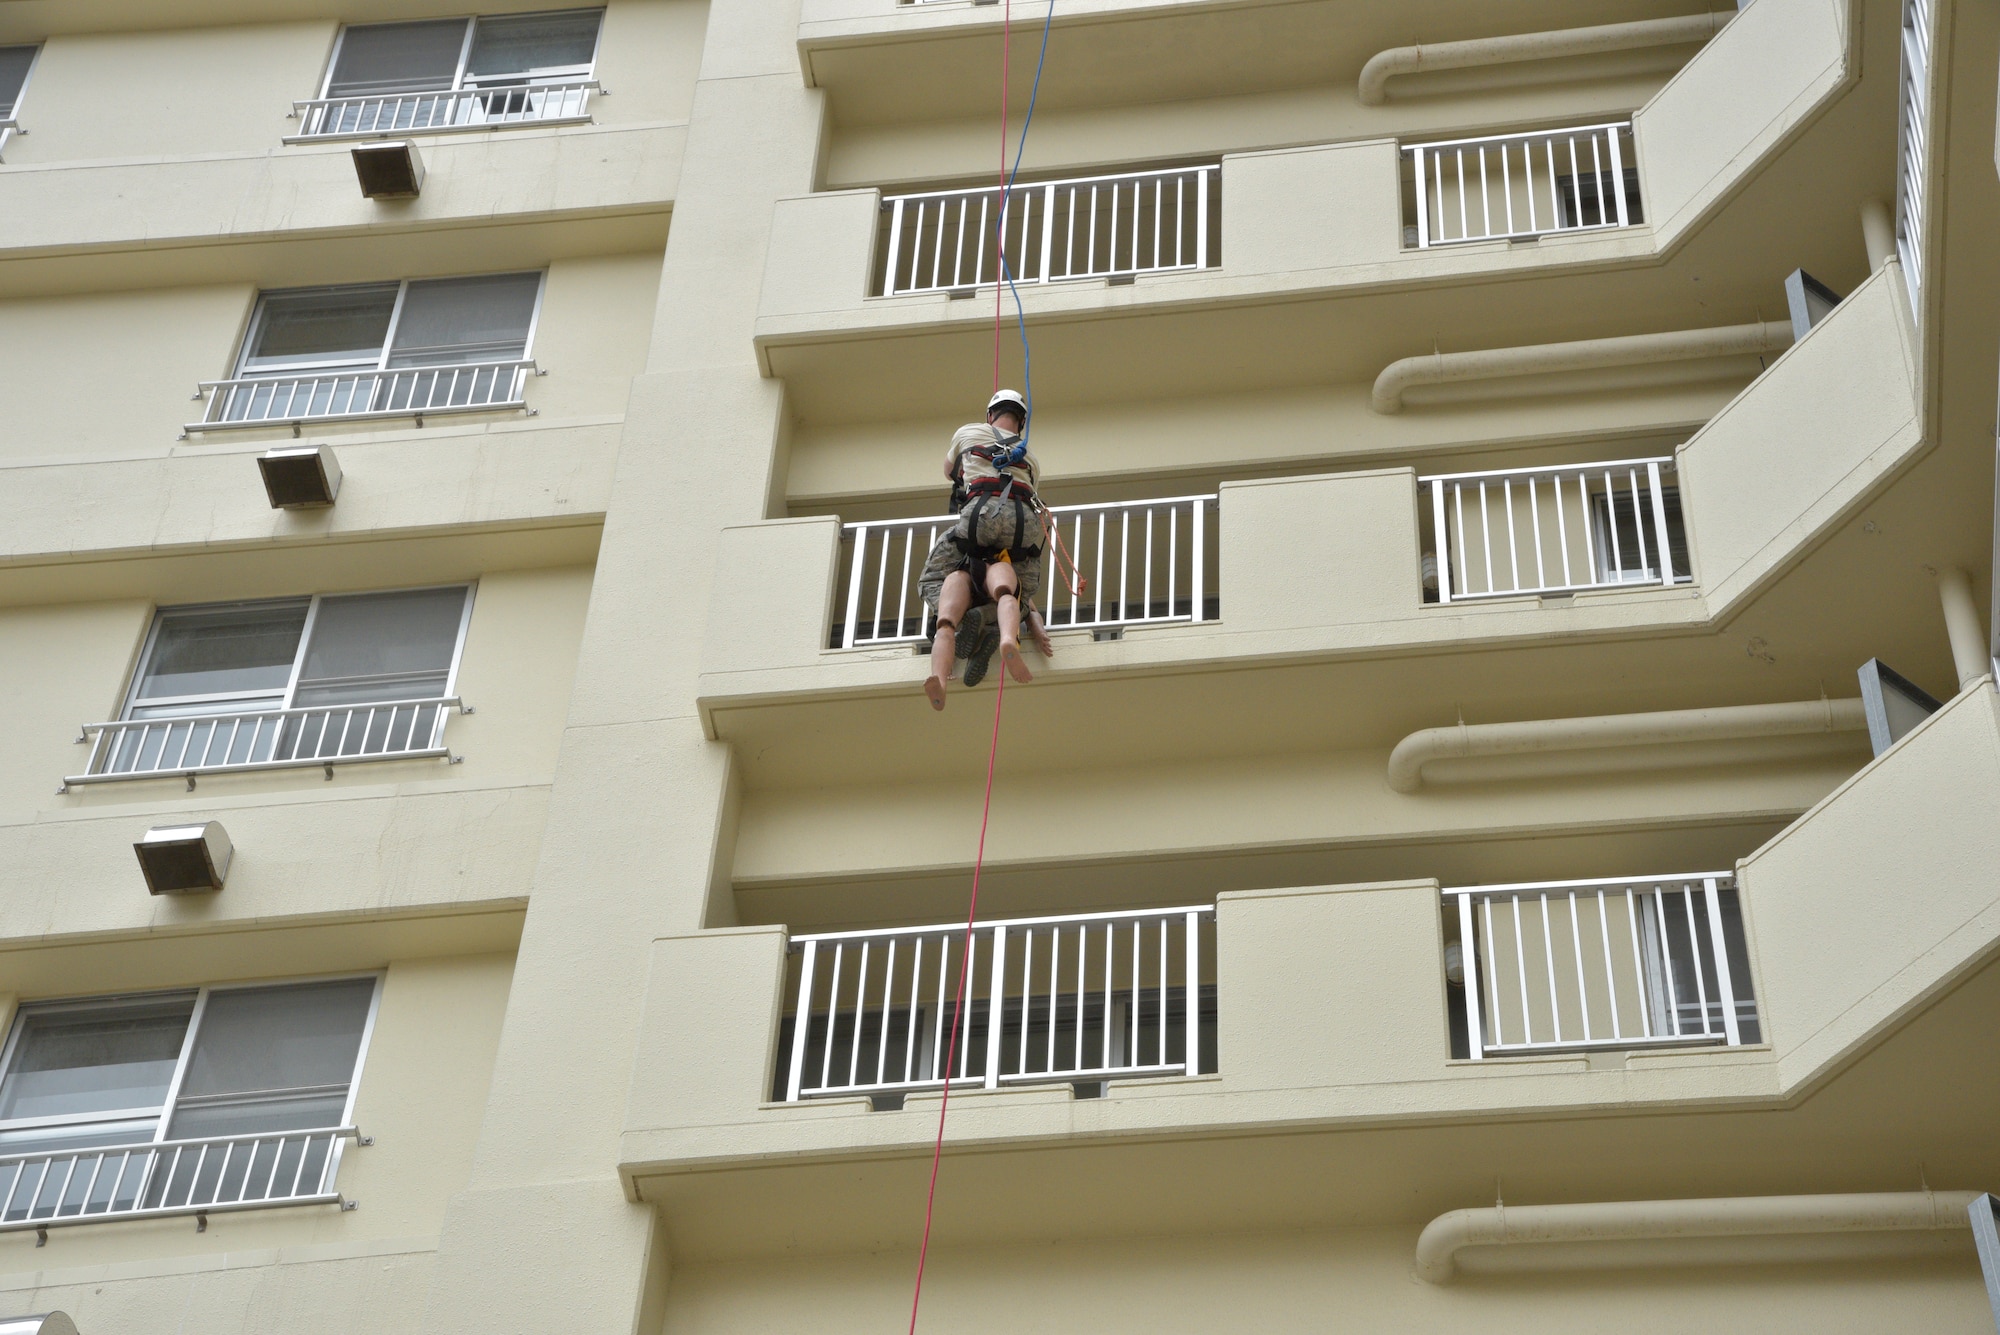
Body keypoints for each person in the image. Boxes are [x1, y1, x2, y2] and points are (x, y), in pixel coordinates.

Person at [919, 389, 1056, 710]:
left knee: (932, 581)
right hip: (1023, 525)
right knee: (1016, 591)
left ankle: (941, 673)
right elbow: (1030, 489)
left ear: (989, 415)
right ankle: (1003, 633)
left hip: (979, 516)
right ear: (1021, 423)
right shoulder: (1030, 456)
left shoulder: (968, 432)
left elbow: (949, 471)